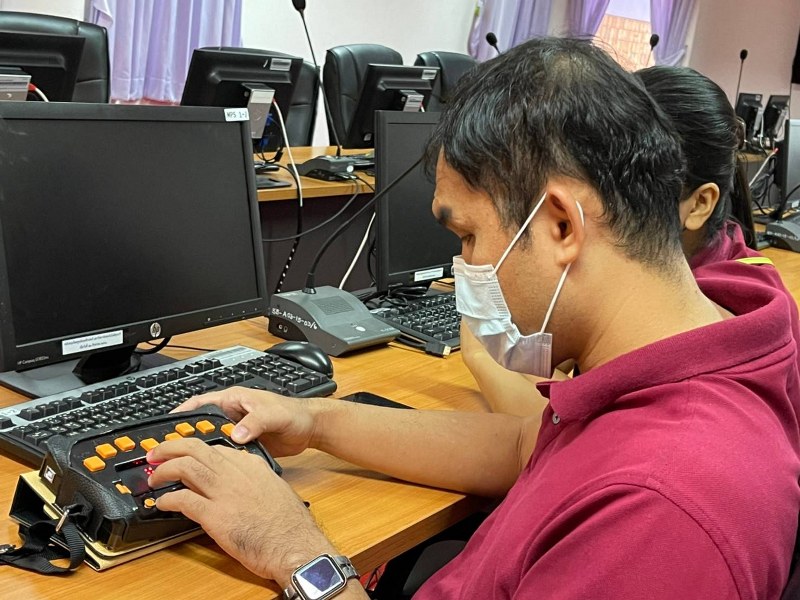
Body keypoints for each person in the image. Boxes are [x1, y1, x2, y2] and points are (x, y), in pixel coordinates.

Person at [146, 38, 800, 599]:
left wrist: (294, 552)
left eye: (467, 237)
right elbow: (521, 446)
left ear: (561, 225)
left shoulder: (660, 511)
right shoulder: (684, 344)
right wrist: (315, 421)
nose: (465, 267)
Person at [463, 64, 795, 418]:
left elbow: (571, 430)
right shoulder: (697, 261)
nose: (607, 203)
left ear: (699, 203)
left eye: (637, 187)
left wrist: (482, 354)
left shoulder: (704, 312)